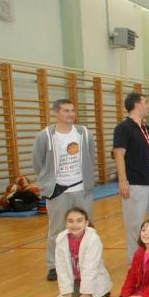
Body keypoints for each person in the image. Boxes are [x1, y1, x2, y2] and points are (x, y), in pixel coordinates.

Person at [32, 98, 96, 281]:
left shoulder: (83, 133)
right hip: (58, 190)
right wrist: (49, 183)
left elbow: (90, 156)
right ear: (56, 113)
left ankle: (86, 262)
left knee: (86, 226)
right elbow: (38, 163)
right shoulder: (44, 136)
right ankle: (53, 265)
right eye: (66, 111)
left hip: (81, 188)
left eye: (73, 110)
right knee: (57, 229)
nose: (70, 114)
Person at [113, 92, 149, 265]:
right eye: (146, 102)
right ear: (137, 105)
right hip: (135, 185)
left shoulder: (146, 127)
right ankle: (134, 265)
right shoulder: (123, 128)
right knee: (135, 227)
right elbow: (119, 155)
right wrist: (123, 181)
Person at [54, 207, 112, 297]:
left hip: (93, 281)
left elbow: (90, 269)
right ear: (66, 223)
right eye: (70, 221)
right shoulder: (61, 240)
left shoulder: (93, 239)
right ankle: (78, 293)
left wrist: (87, 292)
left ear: (86, 223)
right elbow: (61, 268)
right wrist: (66, 291)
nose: (75, 225)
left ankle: (104, 294)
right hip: (76, 281)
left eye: (79, 221)